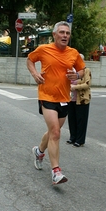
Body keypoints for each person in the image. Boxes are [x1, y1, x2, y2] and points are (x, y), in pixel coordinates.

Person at [27, 21, 86, 185]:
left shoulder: (73, 53)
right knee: (56, 132)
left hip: (64, 98)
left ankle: (39, 151)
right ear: (54, 35)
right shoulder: (44, 49)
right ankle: (56, 172)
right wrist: (34, 74)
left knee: (54, 131)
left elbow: (82, 70)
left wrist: (77, 76)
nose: (65, 36)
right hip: (46, 96)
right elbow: (30, 60)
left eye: (67, 33)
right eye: (61, 32)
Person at [67, 66, 92, 147]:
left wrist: (75, 87)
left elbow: (87, 84)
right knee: (71, 119)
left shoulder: (86, 71)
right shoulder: (71, 70)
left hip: (82, 99)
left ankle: (80, 140)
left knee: (81, 120)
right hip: (70, 99)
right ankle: (72, 137)